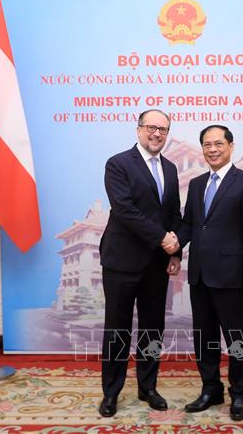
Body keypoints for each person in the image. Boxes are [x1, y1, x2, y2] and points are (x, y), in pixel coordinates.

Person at [175, 125, 243, 421]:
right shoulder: (196, 184)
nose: (212, 149)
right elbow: (189, 225)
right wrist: (174, 249)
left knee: (237, 338)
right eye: (207, 145)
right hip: (199, 274)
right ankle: (210, 389)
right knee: (205, 337)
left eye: (218, 144)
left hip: (232, 275)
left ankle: (239, 393)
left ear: (230, 146)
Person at [98, 109, 182, 417]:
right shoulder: (118, 163)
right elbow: (124, 210)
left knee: (152, 329)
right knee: (117, 329)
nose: (157, 133)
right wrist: (162, 238)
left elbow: (173, 213)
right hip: (122, 260)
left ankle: (148, 387)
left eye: (163, 129)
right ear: (138, 129)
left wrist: (175, 252)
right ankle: (111, 392)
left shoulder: (170, 168)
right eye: (151, 127)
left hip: (156, 264)